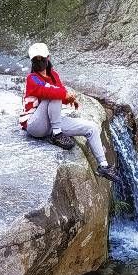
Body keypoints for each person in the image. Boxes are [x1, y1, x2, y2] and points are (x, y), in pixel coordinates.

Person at [20, 42, 118, 181]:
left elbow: (61, 95)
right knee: (53, 95)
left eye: (41, 59)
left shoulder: (53, 75)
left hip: (51, 122)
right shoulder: (32, 78)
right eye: (35, 60)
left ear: (48, 57)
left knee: (91, 128)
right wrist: (64, 95)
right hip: (34, 125)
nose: (38, 62)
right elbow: (49, 92)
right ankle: (57, 135)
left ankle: (103, 166)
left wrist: (69, 99)